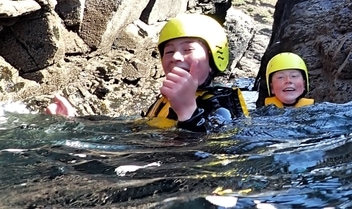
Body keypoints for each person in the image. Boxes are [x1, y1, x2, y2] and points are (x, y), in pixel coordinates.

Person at [47, 13, 249, 133]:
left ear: (214, 59)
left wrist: (188, 111)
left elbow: (216, 145)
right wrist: (77, 123)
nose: (176, 57)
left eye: (188, 49)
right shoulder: (162, 101)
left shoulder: (222, 103)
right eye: (169, 51)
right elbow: (131, 130)